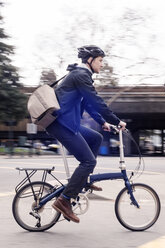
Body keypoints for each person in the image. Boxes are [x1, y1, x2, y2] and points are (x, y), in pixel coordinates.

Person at [46, 45, 126, 223]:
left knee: (96, 137)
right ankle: (64, 200)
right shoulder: (81, 75)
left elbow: (89, 105)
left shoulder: (80, 75)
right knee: (88, 161)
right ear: (90, 60)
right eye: (100, 60)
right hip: (61, 123)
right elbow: (96, 102)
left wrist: (103, 122)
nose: (102, 65)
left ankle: (84, 179)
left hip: (68, 122)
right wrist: (116, 121)